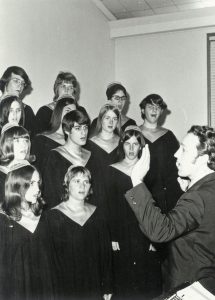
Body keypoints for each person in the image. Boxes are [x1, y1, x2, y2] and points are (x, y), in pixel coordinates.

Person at [125, 125, 215, 296]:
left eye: (184, 149)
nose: (176, 154)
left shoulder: (197, 197)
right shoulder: (208, 188)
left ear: (202, 159)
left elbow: (159, 231)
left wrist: (137, 180)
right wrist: (190, 190)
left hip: (190, 288)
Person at [106, 126, 161, 299]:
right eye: (127, 143)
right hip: (121, 231)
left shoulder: (148, 170)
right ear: (121, 145)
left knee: (146, 280)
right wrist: (112, 236)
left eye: (135, 144)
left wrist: (155, 238)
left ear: (141, 147)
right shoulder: (111, 170)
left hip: (144, 229)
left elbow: (157, 202)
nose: (131, 148)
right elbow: (108, 206)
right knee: (124, 279)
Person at [45, 165, 113, 299]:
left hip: (94, 285)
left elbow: (106, 255)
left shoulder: (98, 214)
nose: (82, 186)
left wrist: (107, 286)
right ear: (67, 185)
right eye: (76, 181)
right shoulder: (53, 216)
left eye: (86, 182)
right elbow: (50, 260)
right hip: (65, 288)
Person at [0, 162, 55, 299]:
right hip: (16, 290)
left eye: (38, 183)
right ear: (16, 186)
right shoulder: (4, 220)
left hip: (44, 287)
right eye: (31, 184)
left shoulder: (44, 216)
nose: (38, 189)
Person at [139, 94, 182, 213]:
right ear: (143, 110)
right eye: (150, 106)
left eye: (158, 107)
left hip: (167, 196)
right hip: (143, 193)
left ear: (161, 111)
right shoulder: (134, 134)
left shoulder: (169, 136)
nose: (154, 110)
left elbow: (177, 166)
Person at [42, 108, 93, 208]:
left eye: (85, 127)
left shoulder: (91, 156)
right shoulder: (54, 157)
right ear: (66, 131)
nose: (84, 133)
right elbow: (51, 196)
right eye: (78, 128)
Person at [87, 104, 121, 214]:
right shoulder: (89, 144)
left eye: (114, 119)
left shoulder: (123, 143)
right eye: (107, 118)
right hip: (96, 197)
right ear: (101, 120)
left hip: (118, 196)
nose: (111, 122)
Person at [31, 96, 76, 174]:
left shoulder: (74, 142)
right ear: (58, 113)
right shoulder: (41, 140)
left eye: (74, 113)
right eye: (68, 111)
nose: (71, 115)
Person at [0, 124, 35, 205]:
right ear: (6, 144)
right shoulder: (2, 174)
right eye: (17, 141)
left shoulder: (30, 171)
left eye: (26, 141)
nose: (24, 145)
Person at [0, 66, 36, 136]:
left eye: (22, 83)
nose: (20, 86)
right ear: (6, 82)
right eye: (16, 81)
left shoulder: (27, 110)